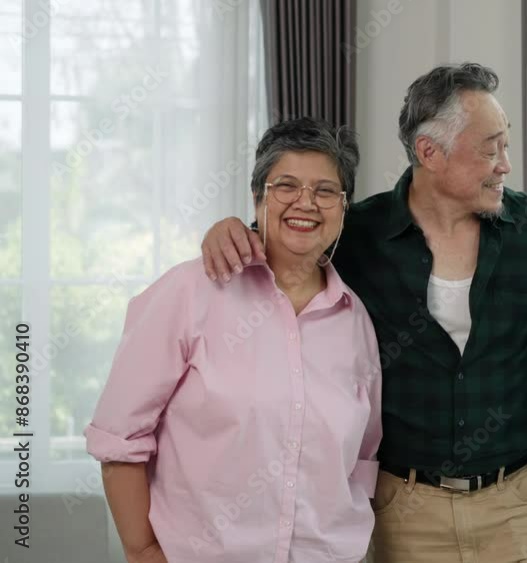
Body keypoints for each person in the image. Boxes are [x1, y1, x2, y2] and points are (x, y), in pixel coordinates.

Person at [200, 63, 527, 562]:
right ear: (429, 152)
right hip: (404, 510)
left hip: (519, 505)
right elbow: (289, 241)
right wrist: (236, 229)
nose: (506, 164)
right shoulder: (358, 236)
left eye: (506, 145)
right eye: (491, 148)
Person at [85, 118, 382, 563]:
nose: (306, 202)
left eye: (325, 191)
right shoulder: (190, 292)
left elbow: (361, 460)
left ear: (343, 208)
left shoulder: (355, 319)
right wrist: (143, 550)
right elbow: (119, 437)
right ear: (258, 196)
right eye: (286, 186)